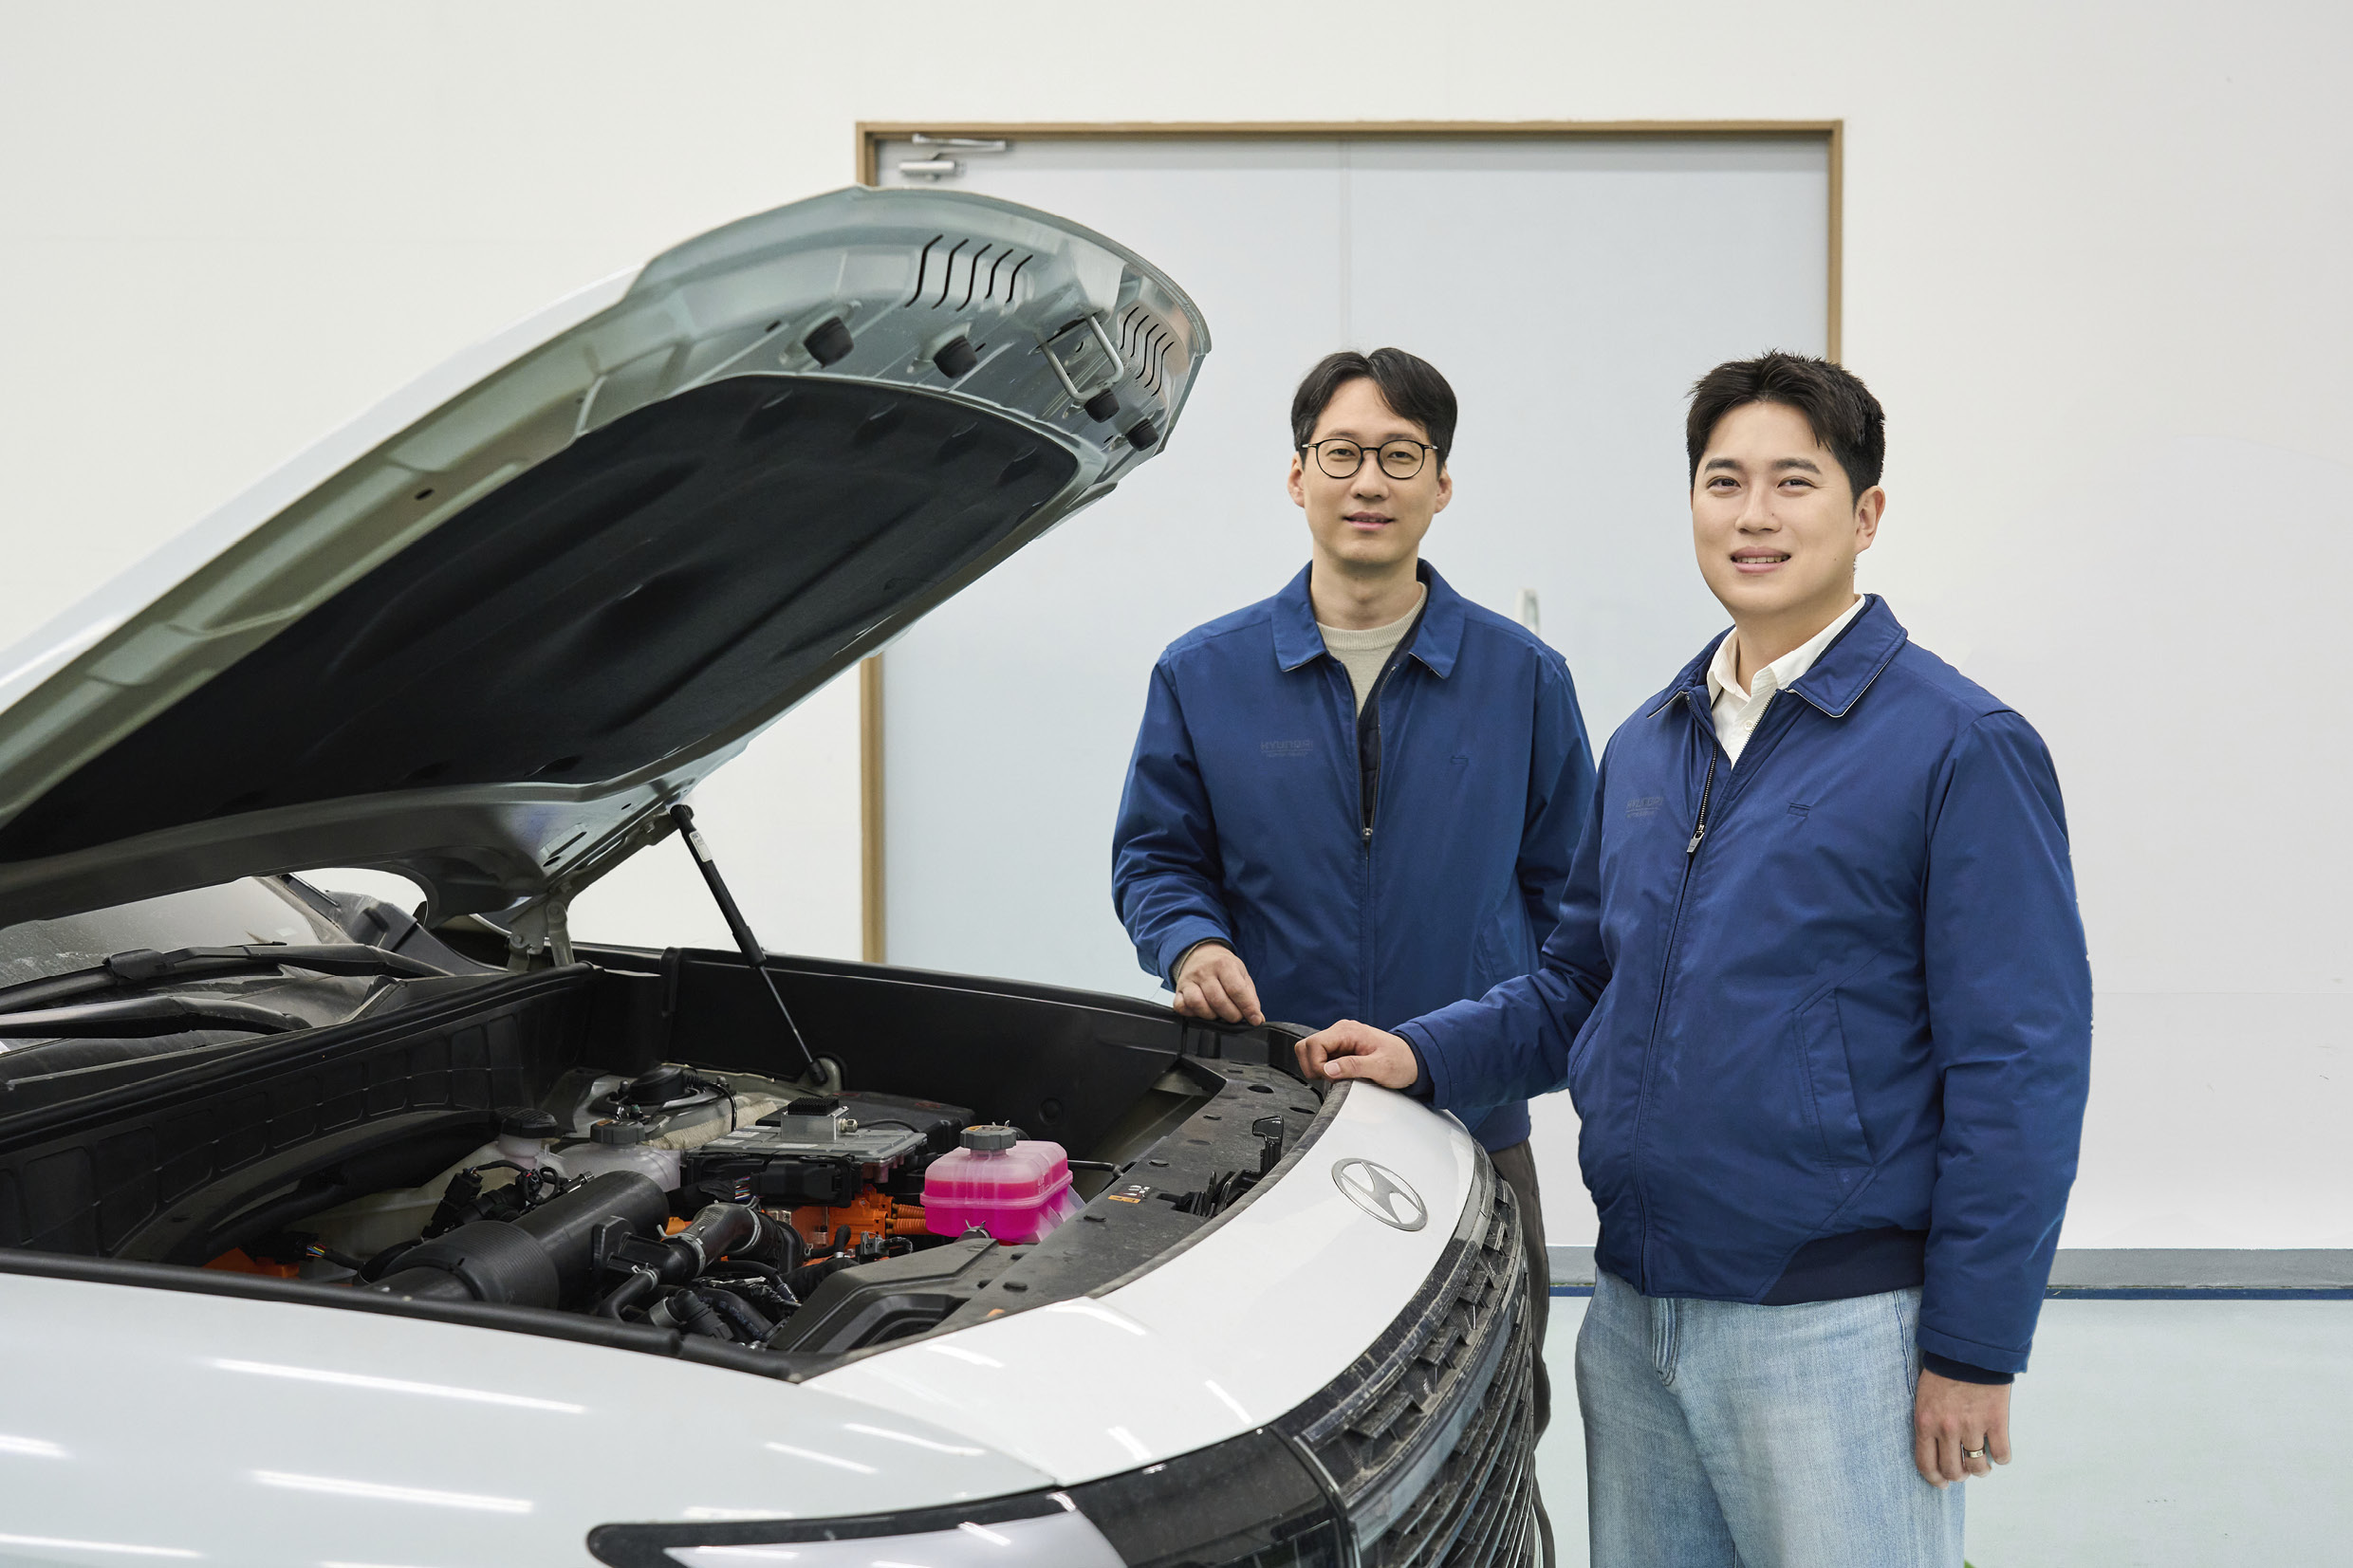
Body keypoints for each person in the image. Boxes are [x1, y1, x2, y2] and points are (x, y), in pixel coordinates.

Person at [1297, 352, 2093, 1568]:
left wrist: (1974, 1347)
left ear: (1865, 514)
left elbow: (2018, 1065)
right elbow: (1580, 984)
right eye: (1723, 482)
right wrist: (1421, 1053)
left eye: (1792, 482)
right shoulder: (1650, 743)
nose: (1753, 514)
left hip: (1833, 1327)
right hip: (1633, 1318)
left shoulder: (1958, 747)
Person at [1113, 347, 1596, 1563]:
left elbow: (1580, 916)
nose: (1367, 481)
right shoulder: (1203, 673)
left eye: (1398, 455)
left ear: (1441, 484)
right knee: (1253, 1460)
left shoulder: (1524, 682)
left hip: (1468, 1125)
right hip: (1263, 1130)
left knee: (1487, 1436)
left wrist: (1478, 1045)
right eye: (1340, 453)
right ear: (1296, 477)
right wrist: (1189, 939)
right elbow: (1155, 859)